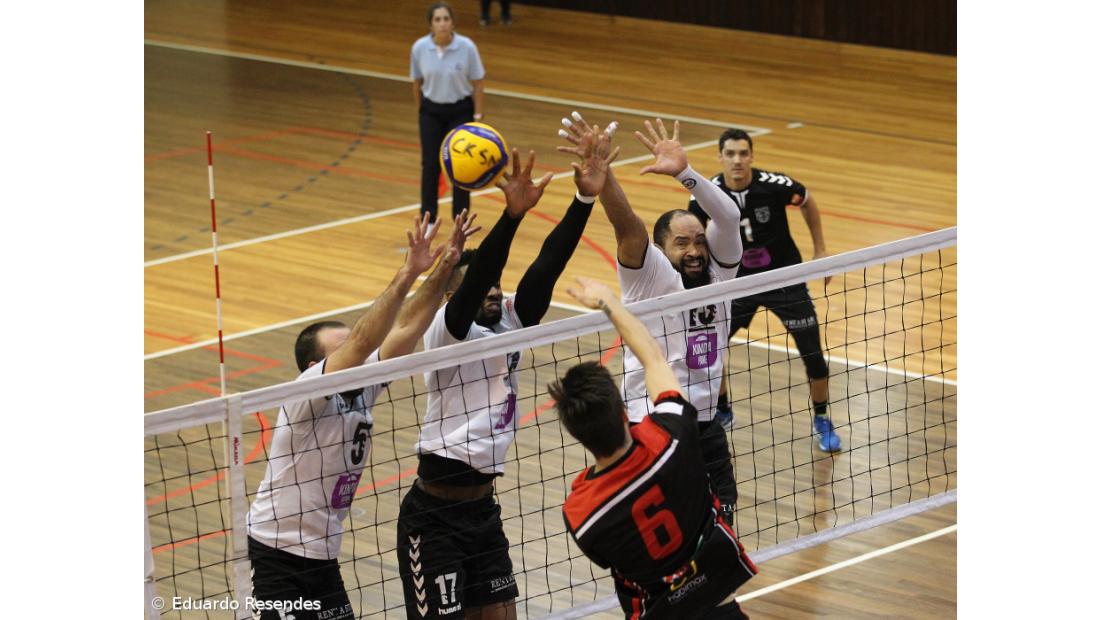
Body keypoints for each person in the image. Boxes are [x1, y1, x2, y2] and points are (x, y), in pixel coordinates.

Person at [396, 136, 618, 620]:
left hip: (482, 512)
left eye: (498, 284)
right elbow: (477, 277)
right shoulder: (449, 329)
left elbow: (547, 265)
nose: (495, 291)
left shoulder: (509, 319)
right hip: (433, 518)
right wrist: (511, 215)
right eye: (485, 286)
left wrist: (584, 200)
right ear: (456, 296)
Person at [247, 212, 479, 620]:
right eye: (345, 354)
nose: (360, 358)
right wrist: (406, 273)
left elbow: (406, 329)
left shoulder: (362, 387)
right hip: (274, 558)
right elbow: (363, 338)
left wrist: (445, 267)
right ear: (314, 367)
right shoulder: (304, 396)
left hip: (322, 557)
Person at [558, 114, 742, 520]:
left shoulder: (720, 272)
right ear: (661, 250)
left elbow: (727, 217)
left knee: (721, 533)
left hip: (707, 429)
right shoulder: (651, 276)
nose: (694, 250)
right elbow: (628, 227)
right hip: (652, 430)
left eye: (699, 241)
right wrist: (604, 180)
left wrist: (686, 173)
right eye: (682, 243)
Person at [555, 277, 757, 620]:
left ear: (578, 436)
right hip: (719, 608)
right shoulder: (672, 437)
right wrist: (608, 302)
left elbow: (608, 557)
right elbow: (654, 359)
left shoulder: (581, 513)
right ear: (623, 412)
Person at [687, 128, 840, 452]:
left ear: (752, 156)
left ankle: (822, 418)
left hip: (783, 279)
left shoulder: (775, 185)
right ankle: (722, 409)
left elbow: (807, 199)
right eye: (730, 154)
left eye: (743, 153)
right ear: (720, 158)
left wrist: (821, 249)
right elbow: (693, 233)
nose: (737, 160)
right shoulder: (707, 193)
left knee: (813, 354)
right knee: (710, 346)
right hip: (738, 283)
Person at [411, 1, 486, 223]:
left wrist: (478, 117)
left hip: (460, 111)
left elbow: (478, 83)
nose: (442, 24)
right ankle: (429, 219)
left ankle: (460, 221)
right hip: (431, 112)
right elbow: (416, 83)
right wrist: (422, 110)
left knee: (462, 166)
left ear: (452, 23)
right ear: (431, 25)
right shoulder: (419, 48)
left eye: (446, 19)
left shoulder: (467, 47)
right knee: (430, 165)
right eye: (437, 20)